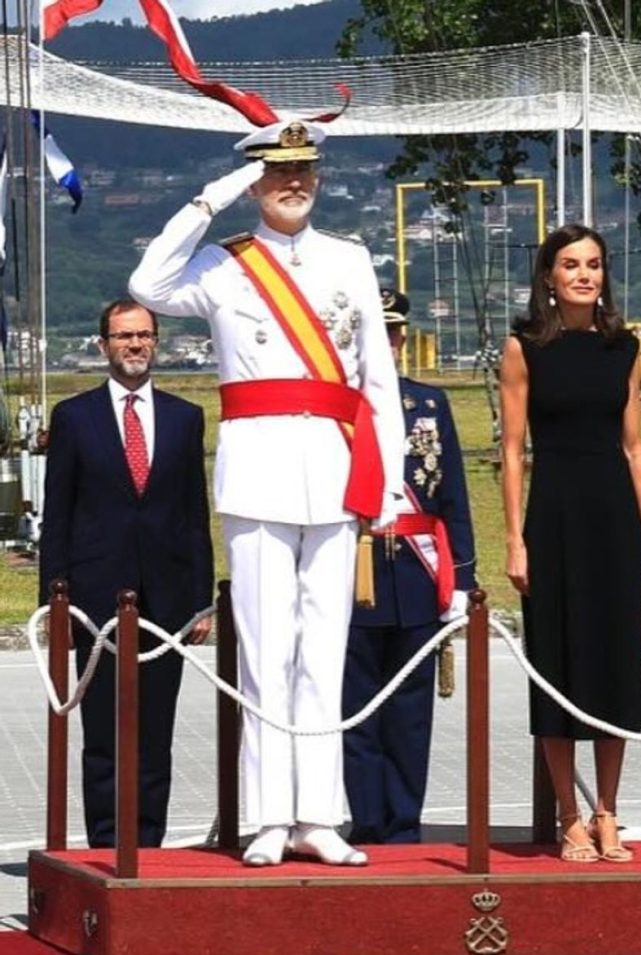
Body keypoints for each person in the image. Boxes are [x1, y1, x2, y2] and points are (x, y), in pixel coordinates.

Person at [129, 121, 405, 867]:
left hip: (338, 467)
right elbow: (146, 285)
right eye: (278, 171)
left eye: (304, 170)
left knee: (325, 651)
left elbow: (377, 380)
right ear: (256, 182)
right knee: (264, 651)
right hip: (257, 472)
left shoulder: (350, 259)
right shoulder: (224, 265)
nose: (294, 183)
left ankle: (320, 815)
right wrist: (213, 197)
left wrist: (391, 481)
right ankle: (268, 817)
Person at [499, 224, 641, 864]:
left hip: (614, 519)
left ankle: (608, 811)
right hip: (555, 517)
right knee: (560, 663)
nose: (583, 275)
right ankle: (568, 814)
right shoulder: (523, 348)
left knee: (613, 667)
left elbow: (633, 447)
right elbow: (512, 452)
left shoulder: (624, 347)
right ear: (548, 275)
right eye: (570, 265)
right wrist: (515, 539)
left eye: (593, 265)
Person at [38, 299, 213, 848]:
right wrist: (55, 602)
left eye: (143, 336)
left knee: (155, 733)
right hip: (94, 599)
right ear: (103, 344)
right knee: (104, 734)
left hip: (166, 600)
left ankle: (149, 845)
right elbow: (58, 514)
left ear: (155, 342)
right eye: (123, 336)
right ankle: (108, 842)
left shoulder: (185, 417)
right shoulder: (74, 417)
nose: (134, 345)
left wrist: (201, 600)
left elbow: (193, 513)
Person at [342, 289, 476, 844]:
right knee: (357, 708)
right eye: (378, 334)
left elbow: (453, 497)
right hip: (355, 568)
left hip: (418, 574)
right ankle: (368, 822)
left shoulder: (428, 404)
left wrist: (463, 577)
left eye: (394, 334)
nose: (388, 344)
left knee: (412, 711)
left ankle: (403, 824)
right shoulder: (338, 408)